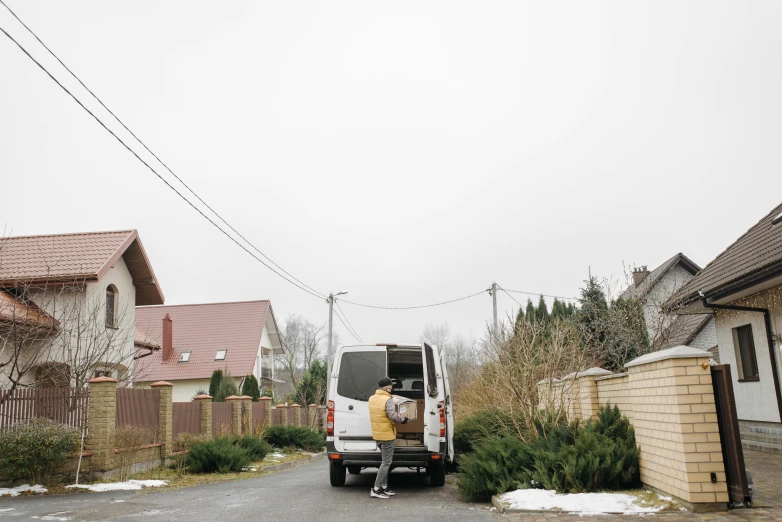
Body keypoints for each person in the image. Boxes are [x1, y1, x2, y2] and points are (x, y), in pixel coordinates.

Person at [368, 376, 409, 499]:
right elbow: (392, 415)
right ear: (386, 387)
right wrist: (403, 420)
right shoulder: (387, 399)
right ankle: (375, 489)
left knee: (384, 462)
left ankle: (384, 487)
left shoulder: (372, 398)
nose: (391, 388)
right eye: (390, 386)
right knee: (386, 463)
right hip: (386, 435)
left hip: (378, 435)